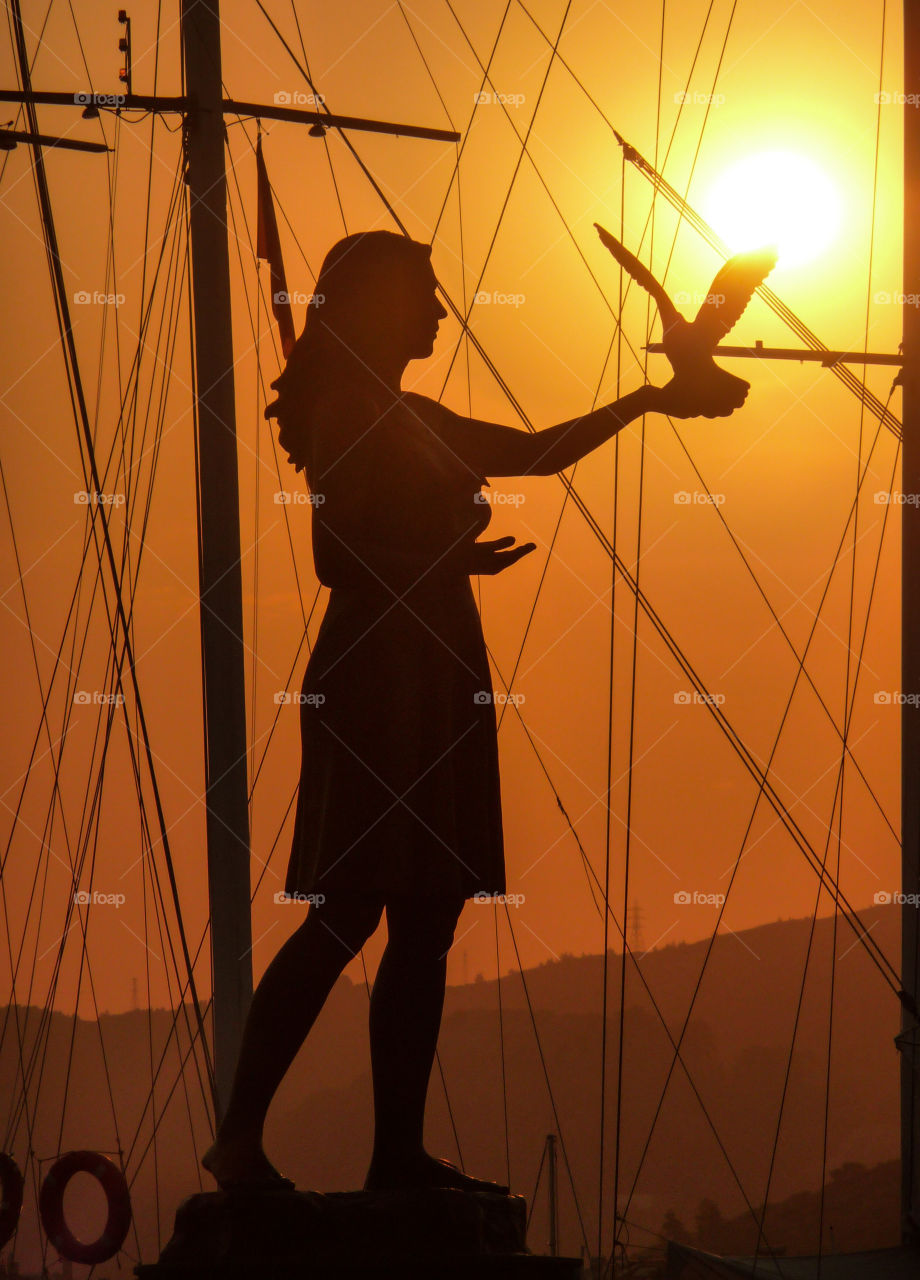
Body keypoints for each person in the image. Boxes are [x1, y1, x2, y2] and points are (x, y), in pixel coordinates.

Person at [201, 230, 747, 1194]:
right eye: (426, 292)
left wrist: (653, 399)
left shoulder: (408, 415)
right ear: (372, 303)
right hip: (378, 676)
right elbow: (336, 559)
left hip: (439, 667)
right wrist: (446, 563)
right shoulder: (345, 411)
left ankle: (396, 1158)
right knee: (347, 910)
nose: (444, 310)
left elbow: (537, 452)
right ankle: (240, 1137)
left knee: (426, 916)